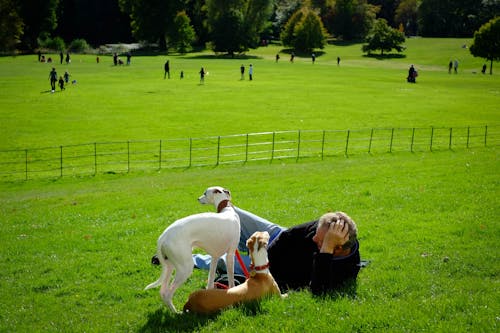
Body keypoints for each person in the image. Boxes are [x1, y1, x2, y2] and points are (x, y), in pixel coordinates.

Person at [158, 207, 361, 295]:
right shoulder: (325, 229)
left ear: (338, 248)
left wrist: (259, 260)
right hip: (276, 242)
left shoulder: (346, 269)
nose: (314, 238)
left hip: (271, 270)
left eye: (321, 241)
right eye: (317, 233)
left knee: (224, 261)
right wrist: (264, 250)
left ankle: (187, 256)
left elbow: (319, 290)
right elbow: (288, 236)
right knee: (233, 214)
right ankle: (191, 232)